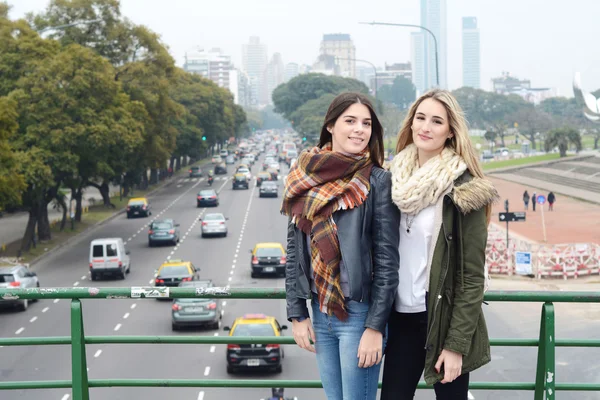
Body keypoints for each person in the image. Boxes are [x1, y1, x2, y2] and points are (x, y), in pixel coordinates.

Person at [282, 92, 400, 400]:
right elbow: (295, 250)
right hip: (320, 315)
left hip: (358, 317)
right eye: (350, 121)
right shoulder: (303, 177)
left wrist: (375, 328)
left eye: (366, 123)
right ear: (331, 126)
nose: (359, 130)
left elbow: (387, 261)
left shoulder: (376, 181)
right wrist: (297, 313)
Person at [382, 89, 499, 400]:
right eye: (420, 118)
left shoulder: (464, 188)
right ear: (410, 123)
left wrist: (456, 345)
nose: (426, 127)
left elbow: (472, 277)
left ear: (450, 132)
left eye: (437, 121)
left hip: (441, 321)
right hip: (399, 319)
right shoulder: (391, 180)